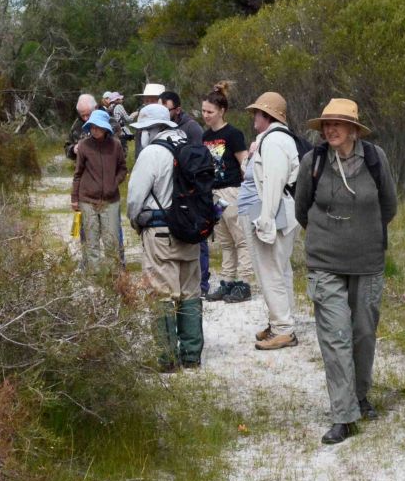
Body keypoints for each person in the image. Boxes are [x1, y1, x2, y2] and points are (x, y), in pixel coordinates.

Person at [294, 98, 397, 445]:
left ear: (354, 129)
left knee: (363, 333)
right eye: (326, 124)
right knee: (335, 336)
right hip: (325, 262)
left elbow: (389, 206)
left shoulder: (375, 159)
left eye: (337, 123)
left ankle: (360, 396)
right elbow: (302, 209)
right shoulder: (313, 161)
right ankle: (344, 415)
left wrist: (361, 234)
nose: (330, 129)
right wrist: (329, 237)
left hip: (367, 261)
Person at [126, 104, 203, 370]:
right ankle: (192, 356)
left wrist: (136, 222)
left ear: (151, 129)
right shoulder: (190, 145)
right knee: (190, 292)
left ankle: (167, 358)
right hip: (191, 231)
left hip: (160, 232)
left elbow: (135, 198)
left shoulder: (152, 153)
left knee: (161, 294)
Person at [241, 91, 300, 351]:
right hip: (277, 212)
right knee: (279, 269)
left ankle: (283, 328)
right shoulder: (273, 139)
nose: (254, 116)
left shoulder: (274, 141)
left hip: (273, 215)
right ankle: (282, 321)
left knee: (270, 271)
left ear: (267, 115)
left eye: (257, 112)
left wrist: (265, 223)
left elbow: (273, 184)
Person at [200, 82, 252, 303]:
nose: (206, 115)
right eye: (203, 111)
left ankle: (244, 282)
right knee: (225, 240)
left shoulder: (233, 134)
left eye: (210, 112)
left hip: (232, 191)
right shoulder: (205, 137)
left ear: (221, 111)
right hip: (214, 193)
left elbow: (244, 163)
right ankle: (227, 281)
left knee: (241, 238)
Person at [71, 109, 127, 269]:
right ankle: (94, 276)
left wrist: (114, 182)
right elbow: (78, 174)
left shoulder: (115, 145)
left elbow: (123, 168)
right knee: (91, 240)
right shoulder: (83, 146)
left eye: (98, 127)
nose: (94, 130)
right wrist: (74, 199)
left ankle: (114, 276)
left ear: (105, 128)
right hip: (87, 200)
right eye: (92, 127)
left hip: (111, 200)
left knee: (111, 241)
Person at [131, 83, 166, 159]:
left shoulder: (171, 122)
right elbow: (138, 149)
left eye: (153, 101)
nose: (149, 104)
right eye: (147, 101)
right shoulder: (142, 120)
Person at [65, 94, 97, 160]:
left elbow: (116, 146)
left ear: (95, 109)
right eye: (82, 115)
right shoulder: (76, 125)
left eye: (88, 115)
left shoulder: (107, 121)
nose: (85, 118)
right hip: (84, 165)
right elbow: (67, 147)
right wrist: (73, 149)